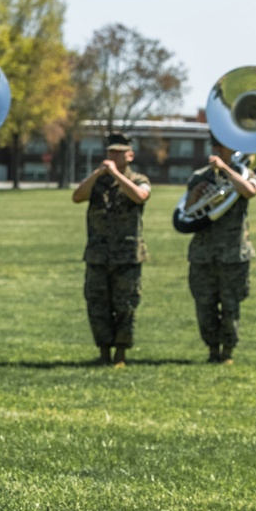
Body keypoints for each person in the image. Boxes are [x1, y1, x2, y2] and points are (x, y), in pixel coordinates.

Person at [72, 131, 151, 367]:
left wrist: (117, 175)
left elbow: (140, 196)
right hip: (98, 254)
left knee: (125, 305)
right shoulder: (98, 181)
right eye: (110, 152)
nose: (112, 156)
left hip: (127, 255)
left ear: (130, 155)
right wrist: (97, 174)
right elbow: (77, 197)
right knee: (97, 305)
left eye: (118, 152)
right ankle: (104, 351)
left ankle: (121, 354)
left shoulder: (138, 179)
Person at [184, 134, 256, 364]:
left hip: (233, 253)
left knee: (230, 304)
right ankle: (212, 349)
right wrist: (196, 195)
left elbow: (249, 191)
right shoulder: (199, 177)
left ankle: (227, 351)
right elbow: (187, 213)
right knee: (204, 305)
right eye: (214, 145)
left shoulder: (245, 173)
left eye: (221, 145)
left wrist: (225, 169)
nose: (216, 149)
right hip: (203, 253)